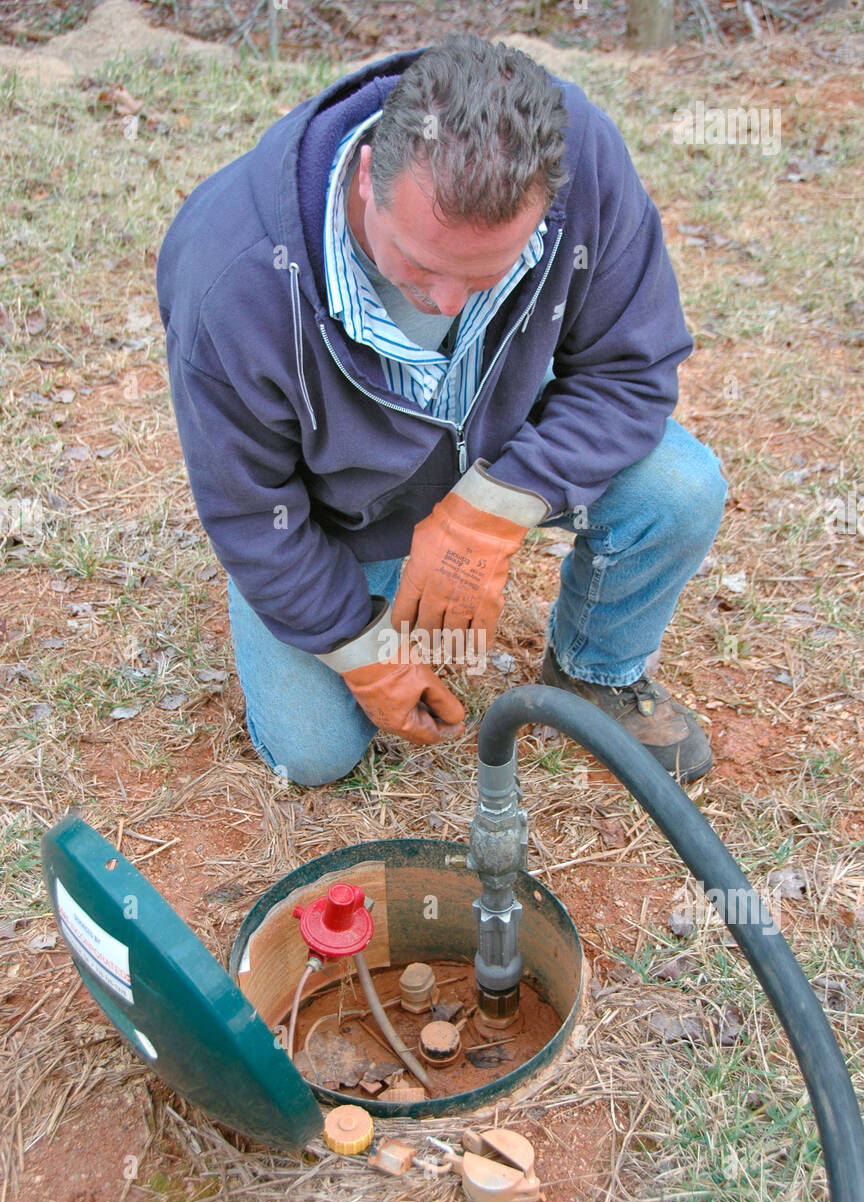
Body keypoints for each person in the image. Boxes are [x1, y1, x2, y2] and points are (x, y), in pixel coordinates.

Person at [156, 35, 727, 787]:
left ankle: (594, 668)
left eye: (487, 276)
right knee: (314, 754)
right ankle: (329, 600)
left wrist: (490, 510)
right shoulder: (231, 274)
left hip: (506, 442)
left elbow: (632, 371)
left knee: (681, 489)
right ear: (367, 178)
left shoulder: (578, 159)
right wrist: (356, 646)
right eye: (419, 267)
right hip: (338, 519)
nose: (449, 303)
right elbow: (249, 509)